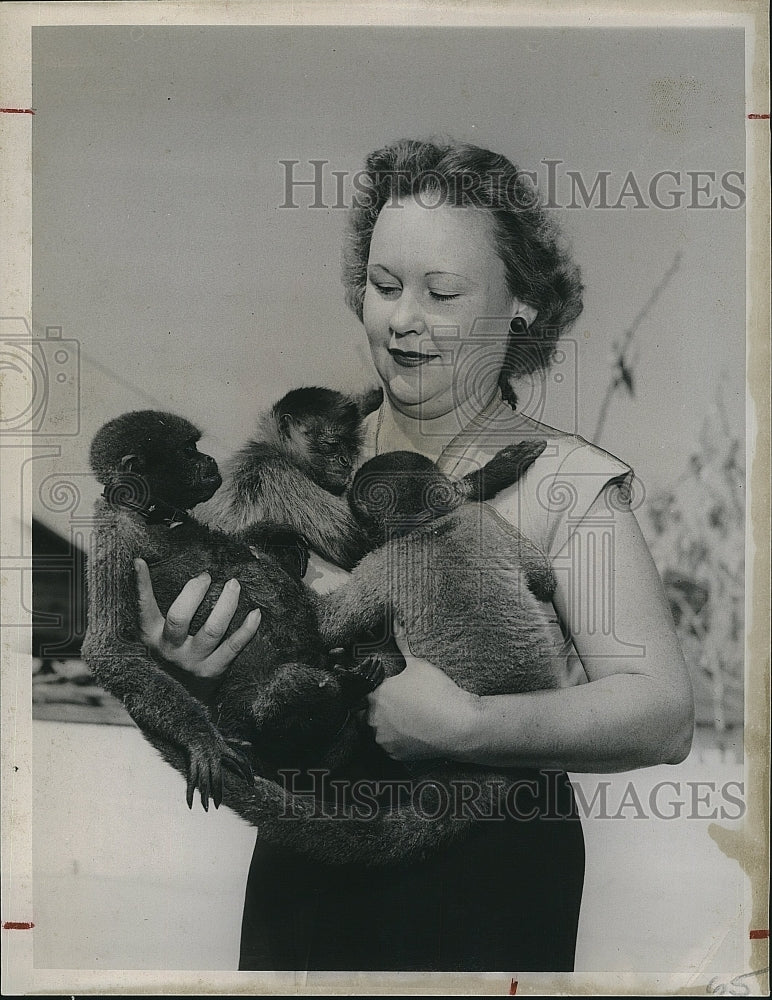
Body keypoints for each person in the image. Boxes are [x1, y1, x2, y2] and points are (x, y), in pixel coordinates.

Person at [134, 138, 694, 972]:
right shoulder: (301, 457)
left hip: (485, 883)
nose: (402, 320)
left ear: (520, 309)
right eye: (385, 284)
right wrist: (190, 665)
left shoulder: (565, 482)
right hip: (308, 860)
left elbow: (663, 712)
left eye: (443, 292)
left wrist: (473, 724)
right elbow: (236, 680)